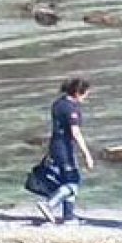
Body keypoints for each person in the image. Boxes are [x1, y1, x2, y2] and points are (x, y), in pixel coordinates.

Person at [37, 78, 95, 224]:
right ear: (77, 93)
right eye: (85, 94)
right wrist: (87, 154)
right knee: (73, 180)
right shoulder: (71, 109)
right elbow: (76, 133)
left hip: (55, 146)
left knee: (66, 179)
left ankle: (68, 216)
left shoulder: (58, 104)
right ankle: (49, 204)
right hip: (65, 148)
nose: (86, 98)